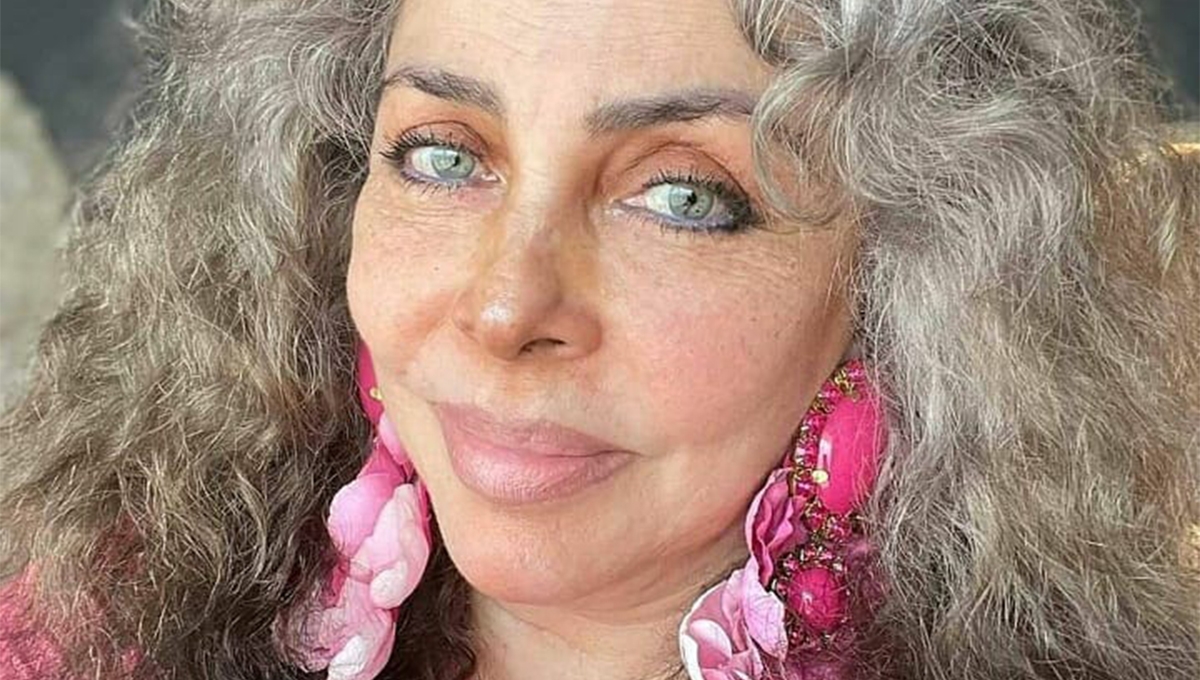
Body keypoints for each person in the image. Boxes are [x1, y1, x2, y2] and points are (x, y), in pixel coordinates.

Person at [1, 0, 1197, 678]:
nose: (506, 307)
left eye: (683, 195)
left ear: (907, 277)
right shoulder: (94, 630)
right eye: (442, 155)